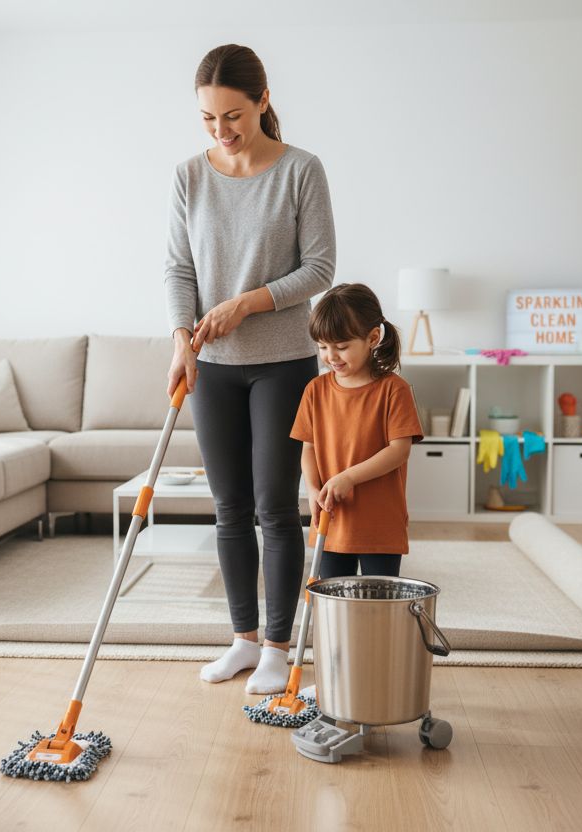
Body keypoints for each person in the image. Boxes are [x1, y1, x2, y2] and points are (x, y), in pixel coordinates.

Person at [164, 44, 335, 694]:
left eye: (232, 115)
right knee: (228, 507)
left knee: (273, 506)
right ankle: (241, 640)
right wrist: (184, 336)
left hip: (283, 363)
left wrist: (245, 303)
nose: (221, 131)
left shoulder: (300, 171)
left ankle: (278, 646)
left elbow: (319, 268)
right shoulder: (189, 176)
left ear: (263, 101)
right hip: (212, 364)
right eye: (208, 119)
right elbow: (179, 268)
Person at [291, 284, 424, 579]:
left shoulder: (394, 390)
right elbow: (308, 448)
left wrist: (348, 477)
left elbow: (399, 450)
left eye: (341, 347)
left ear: (373, 338)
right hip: (331, 521)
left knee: (379, 608)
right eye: (323, 347)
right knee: (333, 607)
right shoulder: (315, 390)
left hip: (380, 525)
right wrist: (313, 490)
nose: (331, 356)